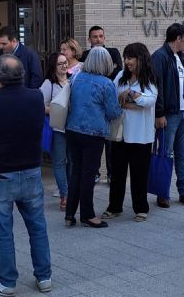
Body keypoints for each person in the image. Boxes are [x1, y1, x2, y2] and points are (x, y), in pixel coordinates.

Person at [0, 54, 52, 297]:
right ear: (21, 76)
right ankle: (44, 277)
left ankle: (7, 281)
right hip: (31, 170)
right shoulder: (36, 97)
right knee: (37, 227)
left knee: (2, 231)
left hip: (1, 174)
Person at [64, 47, 122, 228]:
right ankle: (88, 215)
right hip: (93, 134)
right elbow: (113, 113)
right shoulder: (106, 83)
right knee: (89, 174)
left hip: (72, 130)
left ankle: (69, 214)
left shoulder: (76, 78)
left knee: (76, 172)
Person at [102, 43, 157, 222]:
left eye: (130, 58)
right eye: (125, 57)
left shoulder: (149, 78)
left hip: (141, 135)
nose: (127, 61)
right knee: (117, 173)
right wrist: (128, 102)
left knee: (139, 174)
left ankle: (141, 208)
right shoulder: (120, 76)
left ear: (141, 58)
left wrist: (131, 95)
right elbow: (112, 96)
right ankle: (114, 206)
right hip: (120, 134)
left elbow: (150, 101)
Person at [151, 23, 184, 208]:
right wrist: (159, 113)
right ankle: (163, 192)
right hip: (169, 114)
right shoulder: (160, 57)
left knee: (182, 154)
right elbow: (157, 87)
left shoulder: (179, 56)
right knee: (165, 154)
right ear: (177, 38)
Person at [80, 26, 122, 184]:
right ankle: (95, 173)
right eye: (94, 37)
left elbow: (118, 73)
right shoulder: (85, 55)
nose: (98, 39)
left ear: (104, 38)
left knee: (110, 141)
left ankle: (111, 174)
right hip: (92, 104)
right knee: (93, 141)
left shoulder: (113, 52)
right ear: (89, 39)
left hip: (109, 100)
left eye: (101, 36)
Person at [39, 53, 69, 210]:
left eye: (65, 62)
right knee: (59, 162)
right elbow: (39, 105)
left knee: (72, 162)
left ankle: (71, 192)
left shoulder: (73, 80)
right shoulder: (48, 84)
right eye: (60, 63)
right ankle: (64, 195)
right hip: (57, 128)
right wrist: (56, 110)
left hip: (72, 128)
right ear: (53, 66)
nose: (64, 66)